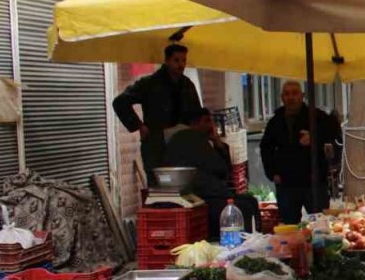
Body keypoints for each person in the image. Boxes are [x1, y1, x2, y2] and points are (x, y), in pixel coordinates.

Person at [111, 42, 202, 182]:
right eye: (176, 60)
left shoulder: (187, 85)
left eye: (184, 60)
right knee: (159, 186)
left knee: (184, 186)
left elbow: (197, 113)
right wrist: (139, 125)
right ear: (166, 61)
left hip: (182, 144)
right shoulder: (149, 83)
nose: (181, 64)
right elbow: (120, 102)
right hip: (156, 144)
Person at [163, 108, 260, 237]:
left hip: (206, 193)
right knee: (245, 207)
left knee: (250, 200)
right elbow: (220, 168)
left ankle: (256, 240)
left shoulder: (196, 139)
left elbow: (224, 169)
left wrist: (217, 142)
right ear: (195, 123)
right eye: (207, 121)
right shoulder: (190, 137)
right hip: (201, 196)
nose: (211, 125)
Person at [260, 80, 337, 223]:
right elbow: (265, 147)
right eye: (287, 94)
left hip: (313, 181)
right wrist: (272, 173)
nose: (291, 97)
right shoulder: (276, 121)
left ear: (302, 96)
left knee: (320, 224)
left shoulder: (315, 116)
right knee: (290, 226)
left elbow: (334, 130)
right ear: (282, 97)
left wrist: (314, 137)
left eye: (295, 93)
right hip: (287, 183)